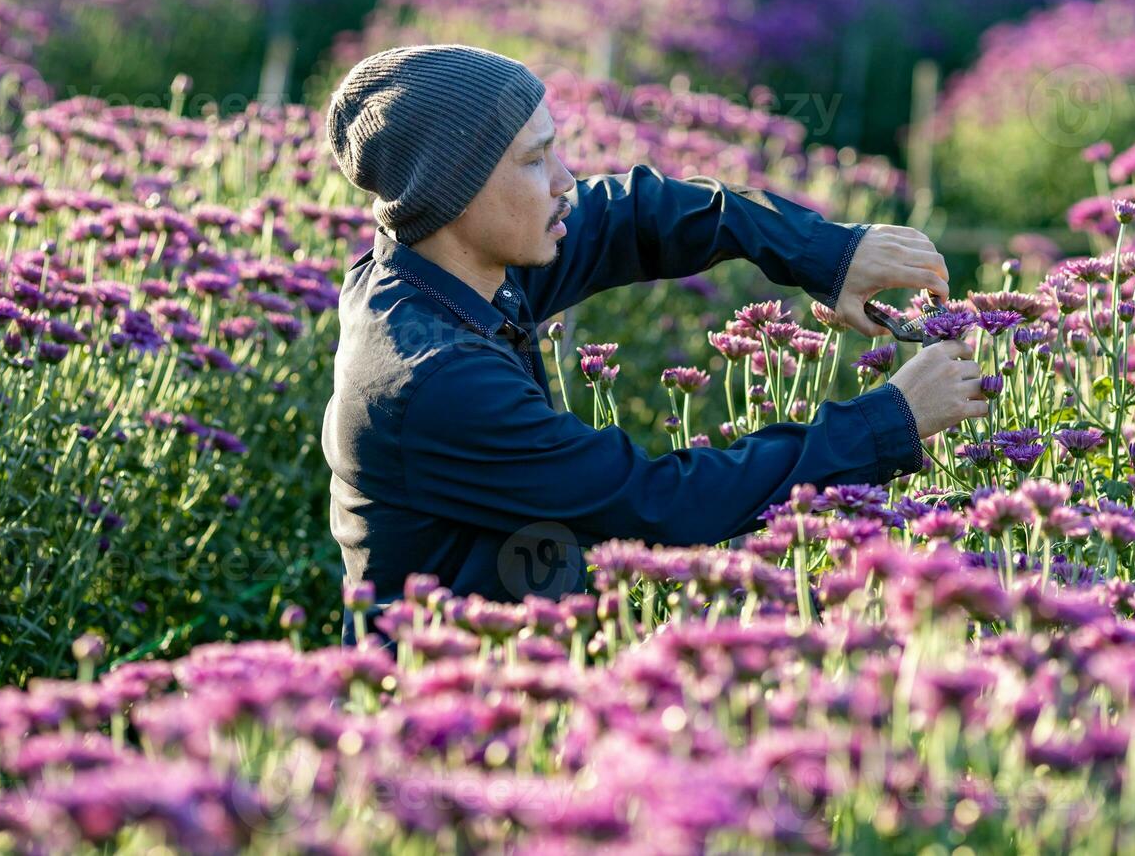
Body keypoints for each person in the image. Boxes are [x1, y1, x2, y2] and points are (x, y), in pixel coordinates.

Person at [321, 44, 988, 639]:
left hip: (524, 673)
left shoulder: (442, 267)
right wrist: (891, 420)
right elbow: (661, 506)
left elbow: (631, 214)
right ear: (454, 191)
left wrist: (825, 253)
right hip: (442, 723)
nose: (564, 181)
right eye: (534, 161)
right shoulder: (435, 378)